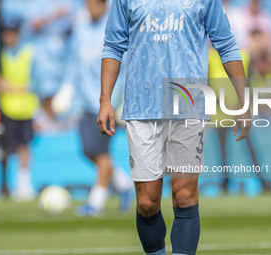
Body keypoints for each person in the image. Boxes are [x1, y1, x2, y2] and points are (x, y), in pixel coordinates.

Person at [97, 0, 251, 254]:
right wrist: (105, 100)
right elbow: (113, 45)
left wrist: (243, 101)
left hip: (187, 105)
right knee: (147, 202)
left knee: (184, 195)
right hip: (141, 107)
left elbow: (226, 43)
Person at [63, 0, 132, 216]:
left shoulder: (114, 26)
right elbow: (74, 62)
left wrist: (118, 100)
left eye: (95, 4)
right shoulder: (80, 28)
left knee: (101, 153)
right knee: (88, 151)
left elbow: (123, 67)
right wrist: (66, 88)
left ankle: (96, 201)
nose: (90, 8)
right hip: (85, 102)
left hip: (106, 103)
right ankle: (122, 184)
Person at [0, 17, 39, 200]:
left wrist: (9, 87)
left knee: (23, 147)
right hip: (6, 108)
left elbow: (35, 84)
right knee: (7, 148)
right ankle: (6, 185)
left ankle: (23, 184)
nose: (8, 36)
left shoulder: (28, 53)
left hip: (25, 109)